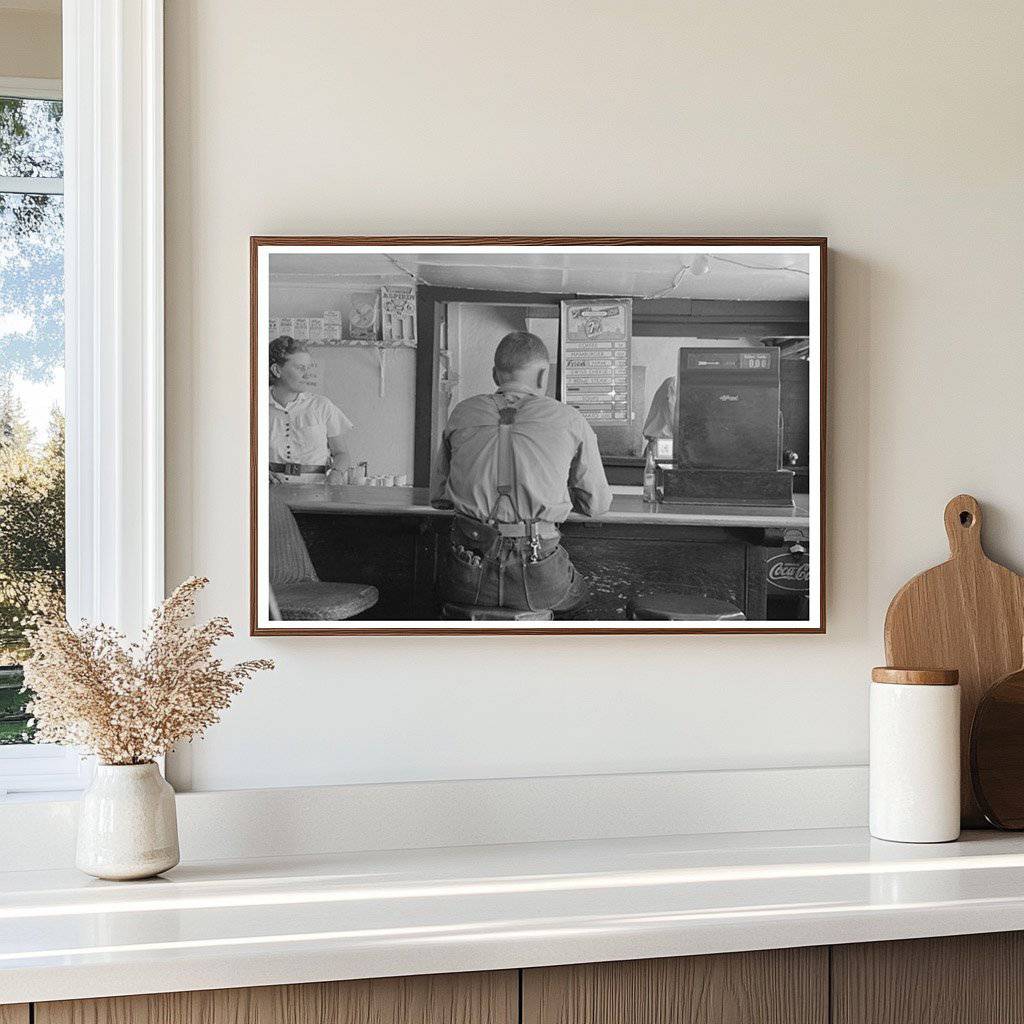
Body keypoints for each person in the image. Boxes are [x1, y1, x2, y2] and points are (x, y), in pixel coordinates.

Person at [430, 331, 612, 615]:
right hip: (539, 568)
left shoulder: (462, 413)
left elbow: (439, 497)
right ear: (543, 377)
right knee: (582, 597)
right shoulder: (570, 420)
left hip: (467, 570)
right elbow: (597, 505)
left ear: (495, 375)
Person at [268, 335, 352, 484]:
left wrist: (336, 474)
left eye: (307, 368)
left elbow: (342, 454)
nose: (306, 375)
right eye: (300, 368)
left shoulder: (321, 406)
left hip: (315, 496)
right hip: (269, 496)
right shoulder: (253, 408)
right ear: (277, 370)